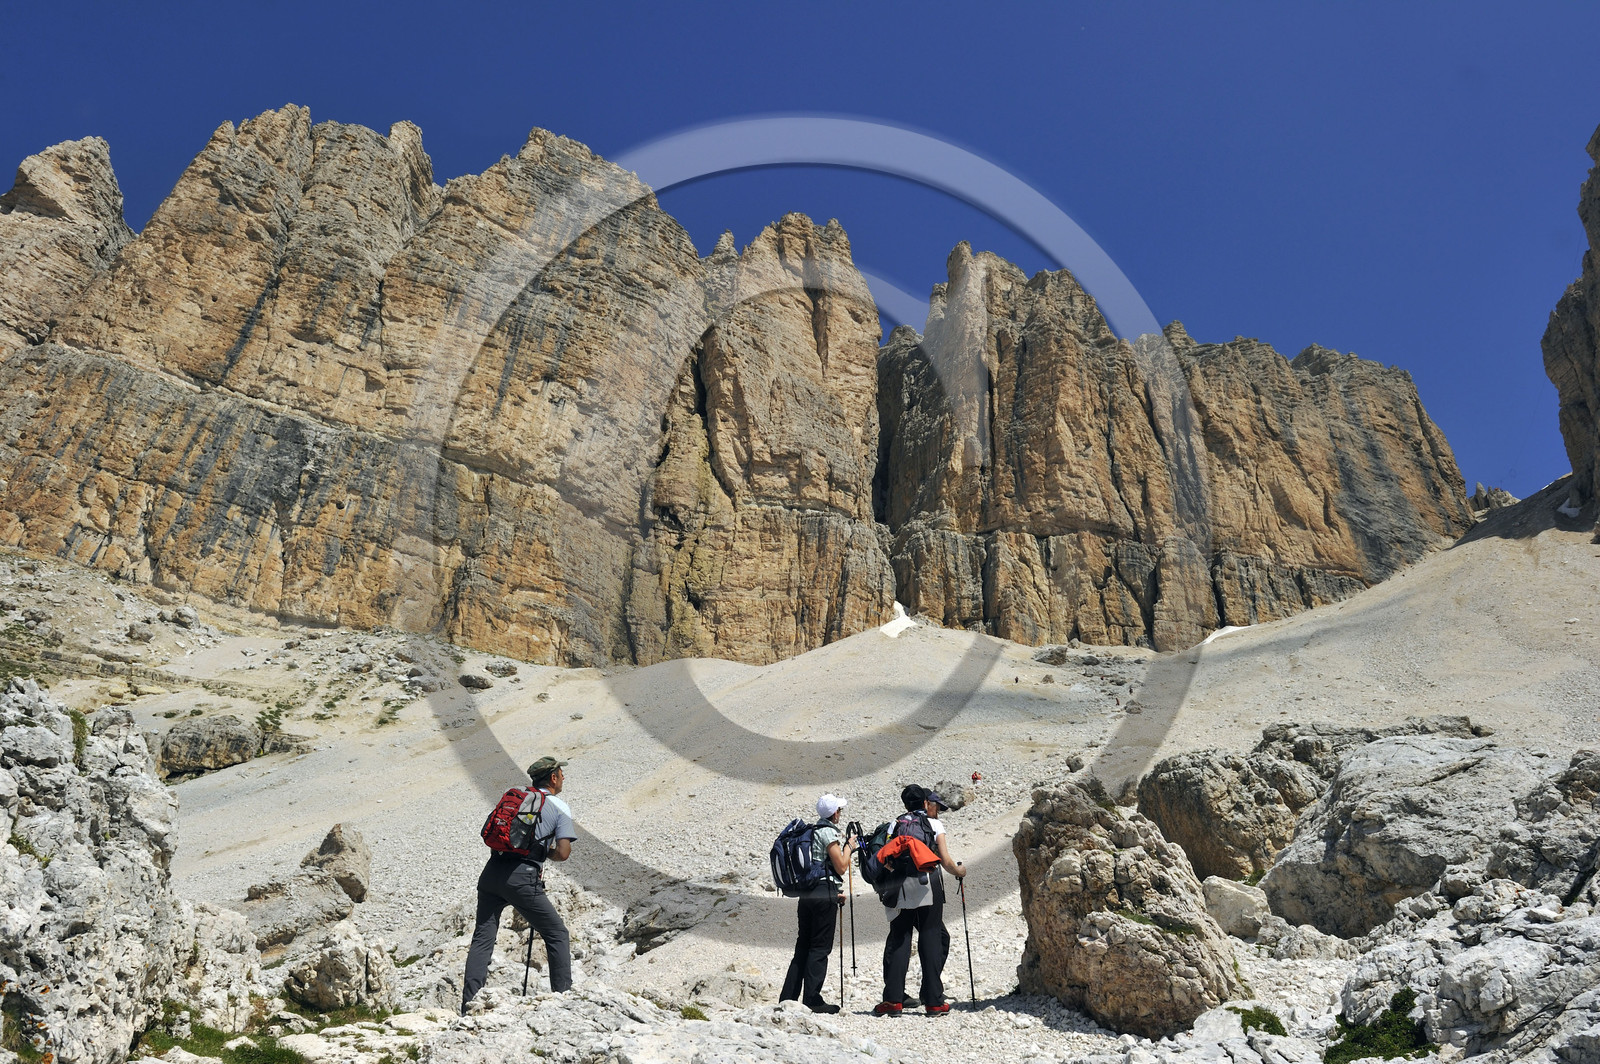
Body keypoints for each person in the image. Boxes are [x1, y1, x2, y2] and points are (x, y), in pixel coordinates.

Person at [461, 756, 578, 1012]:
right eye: (561, 774)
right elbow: (564, 852)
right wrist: (542, 851)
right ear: (554, 778)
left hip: (492, 873)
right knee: (557, 934)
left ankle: (469, 1005)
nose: (564, 778)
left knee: (482, 938)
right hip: (523, 878)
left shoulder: (517, 797)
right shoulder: (558, 806)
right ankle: (564, 1001)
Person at [875, 784, 964, 1017]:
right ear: (926, 803)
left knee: (900, 936)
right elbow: (944, 860)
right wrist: (958, 871)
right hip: (929, 882)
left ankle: (893, 1001)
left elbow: (885, 858)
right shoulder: (935, 824)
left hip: (901, 885)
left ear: (905, 804)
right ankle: (934, 1002)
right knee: (931, 935)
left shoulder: (895, 824)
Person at [778, 793, 857, 1014]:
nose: (840, 814)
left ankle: (787, 997)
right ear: (834, 813)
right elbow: (841, 866)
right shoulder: (828, 832)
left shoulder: (810, 831)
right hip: (824, 895)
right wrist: (849, 846)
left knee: (803, 946)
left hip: (808, 895)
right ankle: (812, 999)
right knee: (820, 947)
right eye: (839, 810)